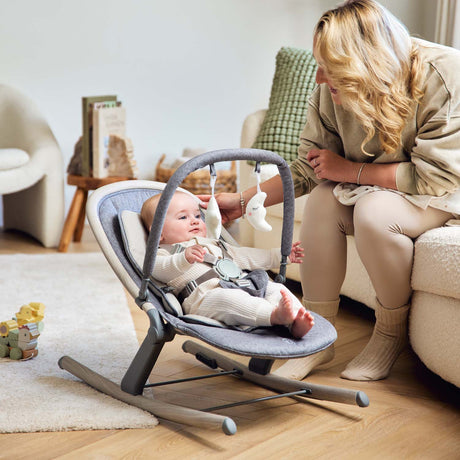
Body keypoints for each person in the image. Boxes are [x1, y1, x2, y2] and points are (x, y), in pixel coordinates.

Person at [199, 0, 460, 381]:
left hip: (441, 192)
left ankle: (389, 334)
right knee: (323, 200)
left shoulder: (445, 74)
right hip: (376, 187)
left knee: (375, 213)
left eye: (330, 67)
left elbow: (437, 177)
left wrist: (351, 171)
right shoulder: (329, 89)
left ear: (368, 62)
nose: (319, 78)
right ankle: (316, 337)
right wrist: (241, 202)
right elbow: (310, 168)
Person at [140, 191, 315, 338]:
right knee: (228, 300)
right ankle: (274, 315)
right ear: (159, 232)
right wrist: (183, 259)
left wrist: (278, 256)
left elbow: (246, 256)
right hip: (205, 297)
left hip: (244, 284)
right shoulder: (165, 252)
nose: (194, 220)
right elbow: (158, 270)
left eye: (197, 215)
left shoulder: (215, 243)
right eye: (183, 217)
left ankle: (296, 320)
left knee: (275, 289)